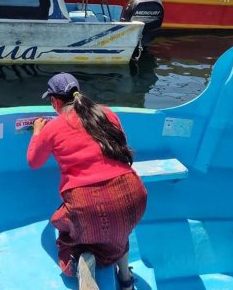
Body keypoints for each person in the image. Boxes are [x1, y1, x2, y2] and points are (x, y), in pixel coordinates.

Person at [27, 72, 147, 290]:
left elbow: (34, 161)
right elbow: (121, 146)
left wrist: (37, 133)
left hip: (88, 204)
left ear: (54, 101)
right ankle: (126, 281)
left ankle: (77, 260)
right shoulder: (106, 113)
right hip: (132, 194)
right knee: (120, 231)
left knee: (67, 233)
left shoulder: (52, 128)